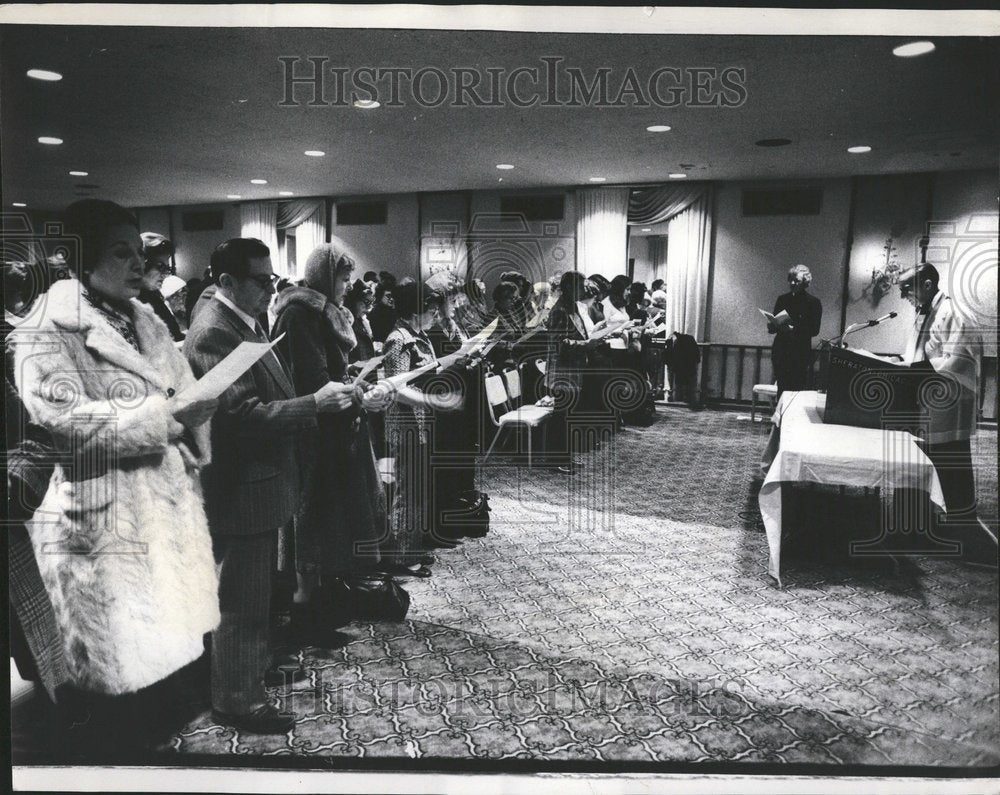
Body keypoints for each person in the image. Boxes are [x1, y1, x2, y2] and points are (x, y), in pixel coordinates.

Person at [11, 200, 221, 748]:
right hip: (103, 511)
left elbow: (179, 390)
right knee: (119, 665)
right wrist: (162, 420)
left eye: (139, 251)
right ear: (78, 258)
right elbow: (62, 416)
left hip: (164, 496)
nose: (137, 263)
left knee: (170, 648)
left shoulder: (144, 317)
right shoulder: (46, 328)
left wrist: (195, 413)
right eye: (120, 251)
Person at [184, 237, 357, 734]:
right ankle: (236, 701)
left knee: (257, 596)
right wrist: (313, 405)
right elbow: (239, 419)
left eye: (273, 280)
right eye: (262, 282)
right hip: (241, 487)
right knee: (241, 602)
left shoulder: (242, 319)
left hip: (260, 481)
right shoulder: (214, 331)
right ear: (226, 282)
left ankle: (247, 674)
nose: (272, 290)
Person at [271, 244, 387, 640]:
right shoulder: (301, 312)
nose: (348, 285)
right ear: (323, 276)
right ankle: (307, 610)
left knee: (329, 518)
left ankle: (319, 602)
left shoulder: (322, 311)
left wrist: (356, 379)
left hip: (334, 429)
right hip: (313, 432)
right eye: (343, 277)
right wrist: (356, 389)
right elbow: (311, 379)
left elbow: (331, 370)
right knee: (313, 520)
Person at [897, 263, 994, 566]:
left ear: (927, 285)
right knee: (923, 466)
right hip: (926, 404)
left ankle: (976, 546)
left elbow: (959, 361)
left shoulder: (952, 313)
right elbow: (917, 354)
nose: (903, 294)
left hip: (947, 409)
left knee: (953, 473)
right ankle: (921, 528)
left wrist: (915, 370)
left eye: (907, 288)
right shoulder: (925, 313)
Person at [379, 282, 463, 577]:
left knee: (417, 488)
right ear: (415, 311)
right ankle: (402, 556)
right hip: (405, 425)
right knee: (407, 491)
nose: (434, 313)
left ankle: (411, 545)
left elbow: (425, 370)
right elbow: (397, 388)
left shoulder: (417, 335)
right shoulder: (398, 340)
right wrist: (432, 400)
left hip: (420, 423)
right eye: (429, 308)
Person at [768, 264, 822, 395]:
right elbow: (775, 326)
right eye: (790, 279)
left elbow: (814, 330)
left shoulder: (813, 303)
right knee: (781, 388)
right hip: (781, 350)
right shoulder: (782, 299)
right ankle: (780, 415)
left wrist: (794, 328)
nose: (792, 283)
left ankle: (790, 415)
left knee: (795, 389)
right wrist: (772, 325)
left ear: (805, 282)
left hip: (799, 352)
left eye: (796, 281)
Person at [138, 232, 184, 342]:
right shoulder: (134, 303)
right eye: (160, 267)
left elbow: (174, 335)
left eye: (167, 268)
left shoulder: (154, 296)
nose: (165, 275)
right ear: (143, 265)